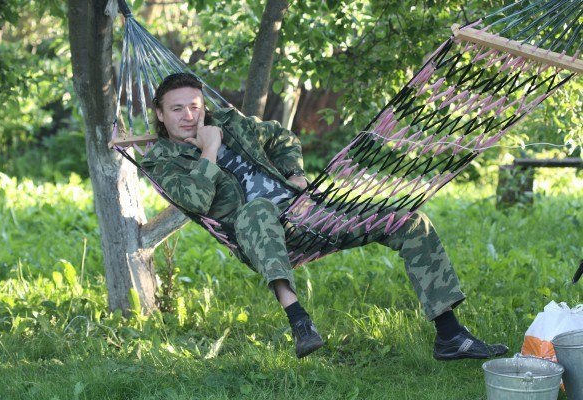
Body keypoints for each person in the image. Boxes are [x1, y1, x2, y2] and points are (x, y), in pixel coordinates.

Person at [141, 72, 509, 360]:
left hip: (308, 213)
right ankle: (299, 321)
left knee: (409, 220)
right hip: (261, 233)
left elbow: (282, 137)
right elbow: (196, 200)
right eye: (177, 109)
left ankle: (451, 335)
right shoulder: (162, 161)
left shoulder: (230, 123)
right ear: (160, 113)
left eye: (195, 107)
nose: (189, 116)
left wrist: (295, 174)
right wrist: (210, 149)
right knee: (257, 209)